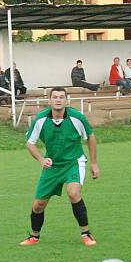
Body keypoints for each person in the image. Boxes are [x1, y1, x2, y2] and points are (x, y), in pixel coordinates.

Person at [20, 87, 99, 247]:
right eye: (55, 97)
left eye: (61, 97)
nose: (58, 100)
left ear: (66, 100)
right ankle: (34, 236)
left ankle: (86, 234)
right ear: (49, 101)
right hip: (52, 167)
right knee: (38, 205)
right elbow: (30, 143)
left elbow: (90, 136)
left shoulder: (77, 117)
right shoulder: (41, 119)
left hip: (74, 163)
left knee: (73, 193)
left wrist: (94, 163)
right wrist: (42, 160)